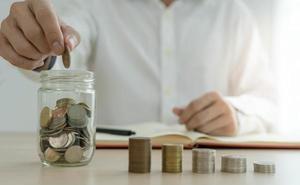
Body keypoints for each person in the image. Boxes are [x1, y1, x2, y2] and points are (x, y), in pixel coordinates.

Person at [0, 0, 277, 136]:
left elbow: (268, 103)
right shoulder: (94, 5)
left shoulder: (233, 13)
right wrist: (41, 48)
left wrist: (236, 114)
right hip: (110, 179)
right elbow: (63, 47)